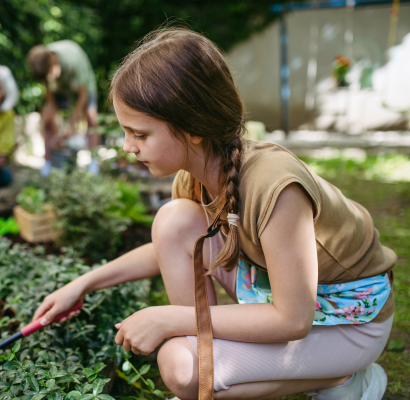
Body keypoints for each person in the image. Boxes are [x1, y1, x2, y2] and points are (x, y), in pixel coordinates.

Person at [31, 28, 396, 400]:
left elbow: (293, 319)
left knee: (182, 366)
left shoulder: (277, 186)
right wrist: (82, 284)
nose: (128, 147)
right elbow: (167, 245)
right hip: (277, 296)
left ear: (192, 129)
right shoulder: (194, 176)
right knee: (173, 220)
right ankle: (207, 349)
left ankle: (343, 378)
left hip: (349, 322)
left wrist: (168, 319)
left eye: (139, 134)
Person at [27, 40, 99, 176]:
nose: (48, 80)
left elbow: (82, 97)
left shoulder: (72, 61)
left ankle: (93, 161)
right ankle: (48, 163)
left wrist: (71, 126)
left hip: (83, 83)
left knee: (91, 118)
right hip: (60, 86)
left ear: (54, 62)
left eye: (50, 75)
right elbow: (50, 100)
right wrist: (57, 130)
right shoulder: (41, 63)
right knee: (47, 120)